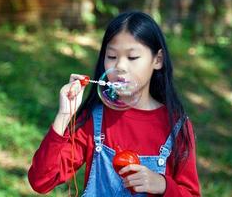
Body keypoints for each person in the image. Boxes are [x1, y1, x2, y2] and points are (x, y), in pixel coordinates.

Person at [28, 11, 201, 196]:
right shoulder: (94, 119)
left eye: (132, 57)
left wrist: (163, 185)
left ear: (157, 60)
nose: (120, 67)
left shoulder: (176, 126)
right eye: (111, 56)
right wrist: (64, 115)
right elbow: (41, 181)